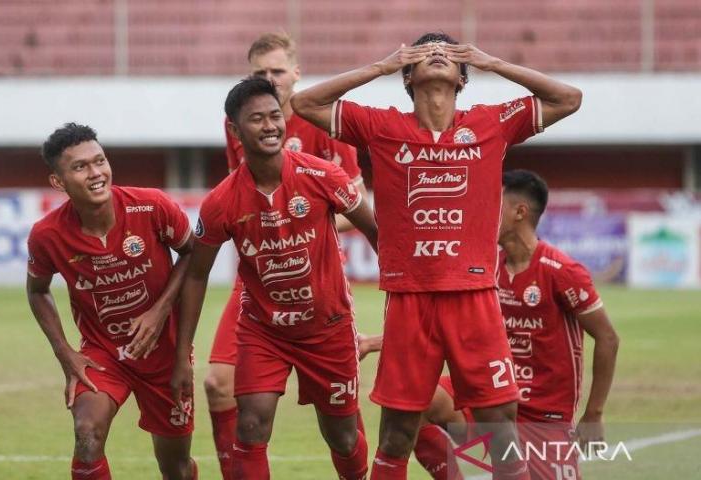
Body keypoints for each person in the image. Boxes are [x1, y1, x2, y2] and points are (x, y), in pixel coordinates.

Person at [292, 31, 582, 479]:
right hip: (411, 300)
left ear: (463, 77)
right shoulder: (382, 126)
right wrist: (380, 67)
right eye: (425, 53)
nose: (437, 55)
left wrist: (492, 61)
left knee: (500, 427)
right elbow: (304, 103)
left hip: (475, 296)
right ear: (408, 76)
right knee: (397, 435)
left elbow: (569, 98)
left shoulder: (490, 123)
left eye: (447, 53)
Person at [171, 78, 379, 480]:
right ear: (235, 131)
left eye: (274, 116)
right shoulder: (221, 202)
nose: (269, 126)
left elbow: (375, 232)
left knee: (343, 435)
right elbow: (196, 276)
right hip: (264, 330)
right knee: (251, 424)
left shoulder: (324, 176)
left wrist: (404, 297)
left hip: (329, 328)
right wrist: (182, 355)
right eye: (256, 120)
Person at [411, 170, 619, 480]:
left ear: (520, 212)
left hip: (543, 417)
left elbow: (607, 338)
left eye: (492, 204)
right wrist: (375, 342)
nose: (480, 211)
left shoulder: (562, 272)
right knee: (416, 396)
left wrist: (594, 414)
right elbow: (441, 325)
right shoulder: (485, 267)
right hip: (490, 399)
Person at [26, 123, 197, 480]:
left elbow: (193, 253)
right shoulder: (47, 235)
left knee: (176, 467)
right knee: (87, 435)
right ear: (58, 182)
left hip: (164, 352)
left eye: (99, 161)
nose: (96, 173)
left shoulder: (151, 206)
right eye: (80, 167)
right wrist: (65, 353)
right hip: (103, 354)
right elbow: (38, 289)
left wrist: (160, 310)